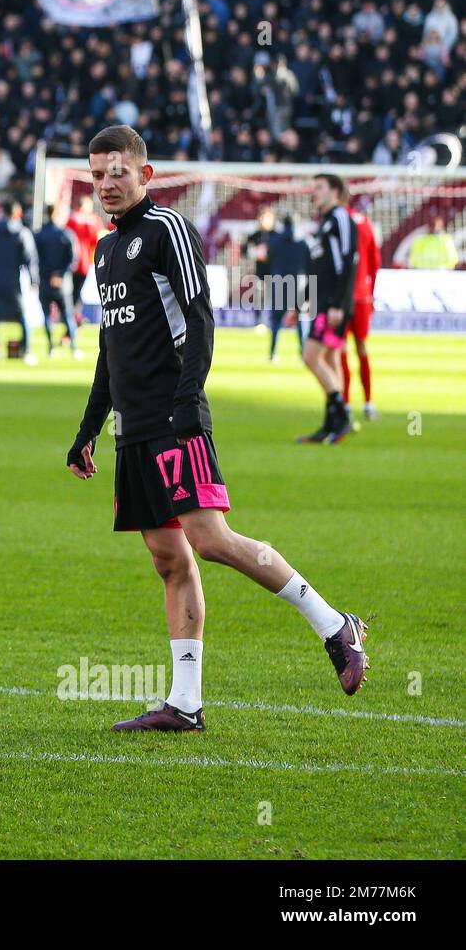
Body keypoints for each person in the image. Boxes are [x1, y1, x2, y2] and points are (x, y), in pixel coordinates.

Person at [67, 125, 369, 733]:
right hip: (134, 428)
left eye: (117, 171)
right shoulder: (104, 251)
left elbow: (201, 320)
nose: (107, 184)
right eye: (97, 174)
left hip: (175, 417)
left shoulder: (167, 230)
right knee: (167, 557)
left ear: (144, 175)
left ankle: (334, 623)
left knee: (210, 540)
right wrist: (88, 428)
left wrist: (186, 403)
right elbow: (110, 348)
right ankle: (184, 704)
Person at [298, 174, 358, 444]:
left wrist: (340, 305)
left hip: (332, 305)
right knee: (331, 361)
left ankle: (342, 416)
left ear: (335, 191)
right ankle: (331, 425)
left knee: (311, 357)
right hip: (323, 303)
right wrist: (298, 304)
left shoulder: (341, 217)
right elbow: (316, 269)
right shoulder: (325, 224)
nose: (314, 192)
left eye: (319, 187)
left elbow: (350, 261)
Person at [0, 199, 40, 364]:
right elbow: (30, 259)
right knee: (23, 316)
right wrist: (34, 280)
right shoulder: (22, 233)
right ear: (16, 213)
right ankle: (26, 350)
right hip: (15, 280)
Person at [342, 197, 381, 421]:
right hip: (363, 296)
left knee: (339, 351)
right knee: (362, 348)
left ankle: (345, 404)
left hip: (342, 297)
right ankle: (368, 403)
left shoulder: (338, 222)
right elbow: (375, 262)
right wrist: (371, 292)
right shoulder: (365, 222)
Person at [33, 205, 80, 358]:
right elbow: (73, 259)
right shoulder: (66, 234)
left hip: (45, 281)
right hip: (63, 282)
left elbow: (35, 259)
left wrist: (45, 275)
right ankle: (74, 347)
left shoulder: (39, 235)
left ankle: (50, 348)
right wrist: (59, 274)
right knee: (67, 315)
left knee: (47, 316)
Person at [266, 213, 309, 361]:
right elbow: (309, 263)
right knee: (300, 319)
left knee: (276, 321)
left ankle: (273, 353)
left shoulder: (275, 241)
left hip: (280, 282)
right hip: (299, 283)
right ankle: (303, 352)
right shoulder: (304, 242)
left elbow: (268, 258)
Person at [65, 193, 105, 322]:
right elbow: (98, 241)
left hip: (70, 262)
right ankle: (75, 318)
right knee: (77, 292)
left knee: (72, 293)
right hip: (85, 263)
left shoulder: (71, 219)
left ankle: (73, 319)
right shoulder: (94, 220)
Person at [245, 207, 276, 333]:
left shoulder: (277, 235)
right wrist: (255, 253)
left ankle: (275, 322)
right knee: (259, 297)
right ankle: (259, 322)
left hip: (275, 273)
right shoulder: (255, 235)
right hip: (260, 273)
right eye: (262, 218)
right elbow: (245, 250)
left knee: (276, 299)